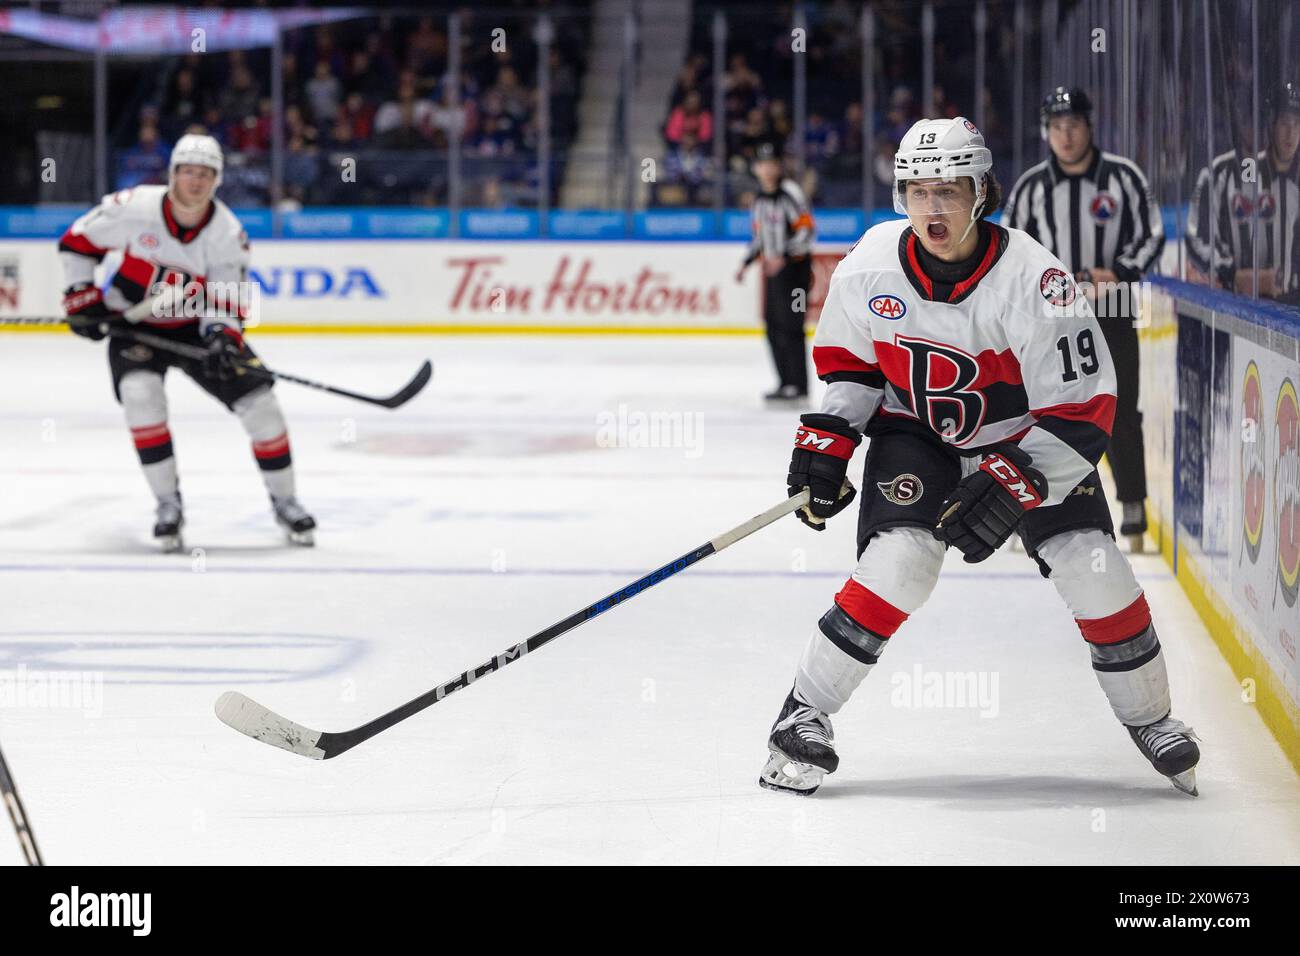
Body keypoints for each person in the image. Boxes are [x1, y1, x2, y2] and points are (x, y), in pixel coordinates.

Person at [759, 117, 1200, 798]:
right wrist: (828, 443)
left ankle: (1152, 719)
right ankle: (802, 714)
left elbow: (1084, 407)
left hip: (1027, 440)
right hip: (919, 435)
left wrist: (1019, 479)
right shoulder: (870, 265)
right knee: (902, 562)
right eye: (919, 191)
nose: (933, 209)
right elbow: (852, 370)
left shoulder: (1037, 279)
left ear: (981, 192)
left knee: (1094, 567)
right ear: (901, 195)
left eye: (950, 191)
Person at [58, 133, 316, 551]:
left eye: (205, 174)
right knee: (141, 396)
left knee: (262, 407)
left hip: (194, 329)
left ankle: (285, 501)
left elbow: (228, 301)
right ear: (173, 174)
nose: (195, 182)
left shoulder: (227, 234)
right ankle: (167, 504)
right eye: (188, 172)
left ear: (216, 181)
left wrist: (222, 337)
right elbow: (76, 243)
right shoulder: (135, 208)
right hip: (135, 326)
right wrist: (81, 296)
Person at [1005, 88, 1165, 549]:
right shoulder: (1032, 187)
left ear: (1089, 126)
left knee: (1120, 411)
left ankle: (1132, 508)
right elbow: (1012, 249)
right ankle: (1022, 503)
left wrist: (1119, 271)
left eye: (1073, 124)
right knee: (1038, 412)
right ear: (1046, 132)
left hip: (1111, 313)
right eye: (1057, 126)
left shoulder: (1123, 177)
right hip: (1050, 322)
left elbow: (1152, 233)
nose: (1066, 134)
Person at [1187, 81, 1300, 305]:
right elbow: (1197, 239)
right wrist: (1235, 276)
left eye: (1297, 124)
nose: (1291, 133)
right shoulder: (1218, 173)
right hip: (1231, 308)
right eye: (1285, 123)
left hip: (1290, 311)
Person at [735, 142, 817, 403]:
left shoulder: (789, 193)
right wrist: (745, 264)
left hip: (795, 271)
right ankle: (785, 382)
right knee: (773, 326)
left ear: (779, 166)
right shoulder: (759, 200)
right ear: (756, 169)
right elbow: (760, 237)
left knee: (793, 325)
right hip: (774, 272)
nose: (767, 170)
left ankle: (799, 386)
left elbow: (806, 230)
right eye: (762, 165)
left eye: (772, 164)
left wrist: (785, 255)